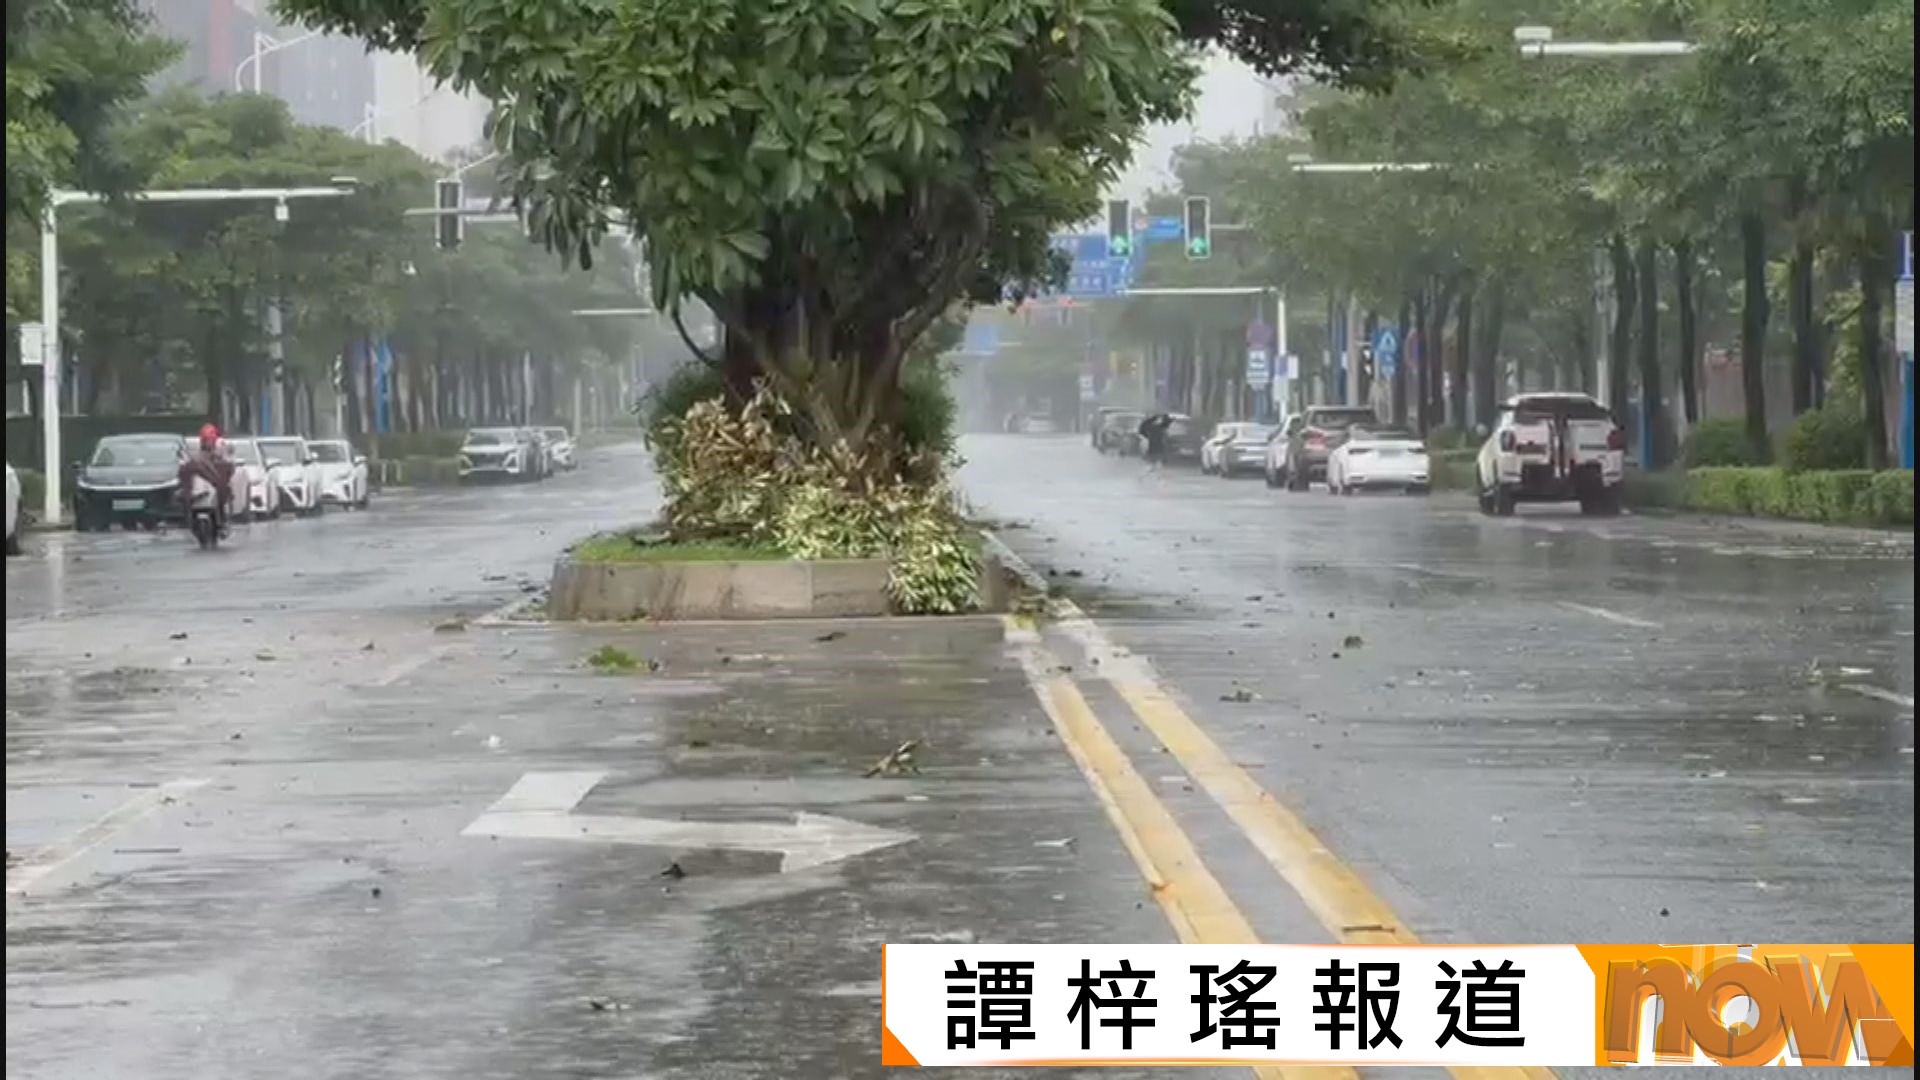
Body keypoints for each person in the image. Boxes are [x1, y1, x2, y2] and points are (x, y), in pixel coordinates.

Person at [178, 423, 236, 537]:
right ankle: (188, 521)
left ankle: (222, 521)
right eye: (206, 440)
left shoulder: (220, 454)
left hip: (214, 489)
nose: (208, 443)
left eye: (210, 440)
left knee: (224, 495)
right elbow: (185, 473)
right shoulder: (196, 457)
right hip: (198, 491)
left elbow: (228, 470)